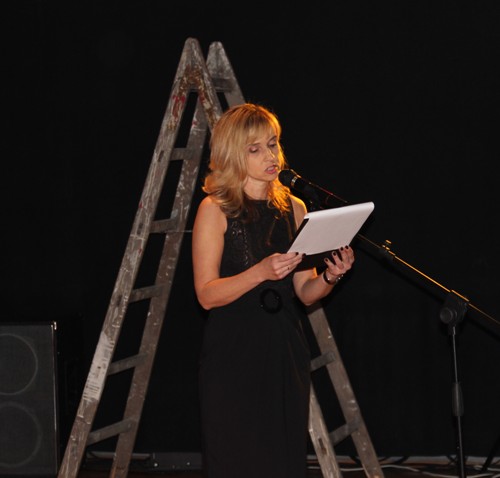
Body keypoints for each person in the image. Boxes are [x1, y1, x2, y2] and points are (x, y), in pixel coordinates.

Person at [192, 103, 355, 478]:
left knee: (282, 460)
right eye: (256, 149)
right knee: (236, 460)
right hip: (233, 353)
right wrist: (260, 272)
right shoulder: (214, 209)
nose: (271, 156)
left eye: (273, 144)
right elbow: (206, 294)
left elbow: (305, 292)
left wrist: (331, 276)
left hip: (284, 348)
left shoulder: (293, 208)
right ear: (233, 154)